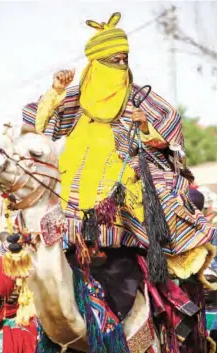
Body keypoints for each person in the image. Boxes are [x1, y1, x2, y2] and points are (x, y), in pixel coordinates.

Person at [22, 12, 216, 282]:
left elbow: (170, 130)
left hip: (124, 173)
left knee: (166, 200)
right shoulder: (76, 96)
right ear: (96, 63)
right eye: (114, 61)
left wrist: (146, 126)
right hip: (71, 173)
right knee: (27, 205)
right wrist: (56, 91)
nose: (121, 66)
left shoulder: (137, 96)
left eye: (124, 60)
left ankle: (177, 272)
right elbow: (40, 125)